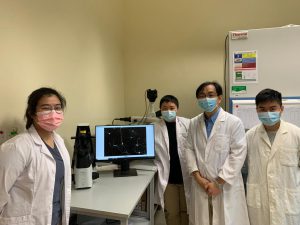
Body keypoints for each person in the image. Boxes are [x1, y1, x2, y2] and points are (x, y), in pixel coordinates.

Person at [0, 87, 71, 225]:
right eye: (46, 108)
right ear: (32, 113)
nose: (53, 113)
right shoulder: (16, 147)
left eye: (57, 107)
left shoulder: (60, 142)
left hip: (55, 218)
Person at [185, 81, 249, 225]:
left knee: (226, 220)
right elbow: (188, 149)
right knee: (202, 220)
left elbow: (238, 154)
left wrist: (218, 183)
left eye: (210, 95)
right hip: (201, 184)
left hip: (225, 186)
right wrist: (198, 178)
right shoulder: (193, 123)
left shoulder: (234, 122)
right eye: (202, 96)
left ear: (219, 98)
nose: (206, 99)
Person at [246, 88, 300, 225]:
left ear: (281, 108)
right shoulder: (249, 136)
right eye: (262, 109)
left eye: (272, 108)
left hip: (288, 202)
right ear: (257, 110)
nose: (267, 113)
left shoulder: (296, 134)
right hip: (259, 203)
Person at [154, 95, 191, 225]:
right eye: (165, 108)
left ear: (177, 109)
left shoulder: (188, 124)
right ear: (160, 109)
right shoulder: (155, 128)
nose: (168, 111)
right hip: (168, 179)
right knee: (172, 213)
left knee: (187, 211)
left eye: (171, 108)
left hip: (186, 176)